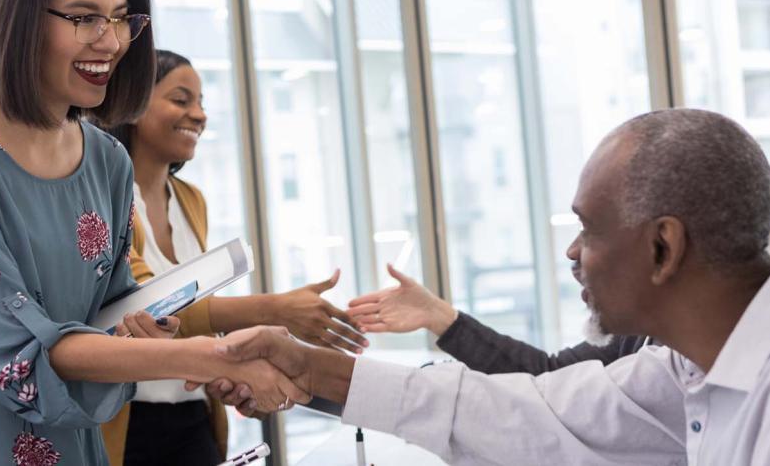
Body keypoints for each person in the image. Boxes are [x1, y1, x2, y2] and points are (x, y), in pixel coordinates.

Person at [0, 0, 308, 465]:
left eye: (122, 18)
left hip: (69, 439)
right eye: (84, 18)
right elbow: (15, 351)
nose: (111, 40)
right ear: (20, 16)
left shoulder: (107, 159)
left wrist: (149, 327)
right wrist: (214, 355)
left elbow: (107, 314)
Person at [214, 109, 770, 465]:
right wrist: (309, 369)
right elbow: (533, 410)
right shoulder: (682, 368)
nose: (572, 253)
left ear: (662, 249)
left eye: (589, 230)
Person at [100, 49, 368, 466]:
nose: (199, 115)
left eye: (202, 103)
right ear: (133, 104)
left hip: (193, 417)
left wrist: (233, 368)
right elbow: (154, 305)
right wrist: (274, 308)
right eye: (182, 99)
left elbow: (194, 315)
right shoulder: (105, 198)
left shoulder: (191, 201)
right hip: (129, 423)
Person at [347, 264, 649, 374]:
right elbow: (548, 375)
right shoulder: (638, 335)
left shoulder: (670, 360)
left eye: (594, 230)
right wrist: (437, 316)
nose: (572, 254)